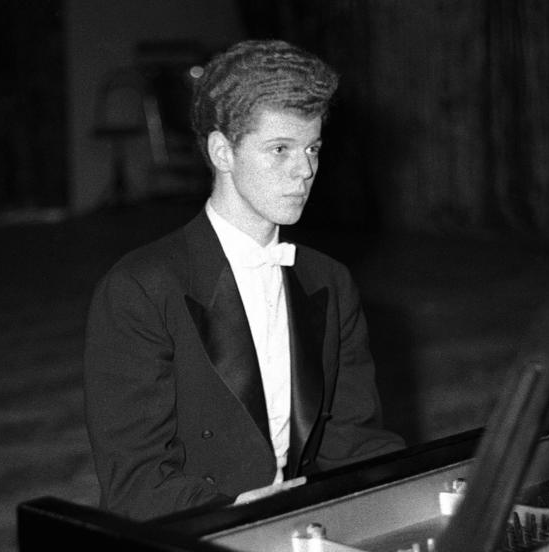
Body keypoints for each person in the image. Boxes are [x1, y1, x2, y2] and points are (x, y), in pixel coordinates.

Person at [84, 39, 404, 522]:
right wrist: (240, 516)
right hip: (200, 541)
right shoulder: (140, 289)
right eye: (280, 149)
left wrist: (418, 488)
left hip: (306, 526)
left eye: (312, 147)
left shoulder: (330, 281)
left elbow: (352, 441)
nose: (306, 171)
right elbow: (137, 485)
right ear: (222, 152)